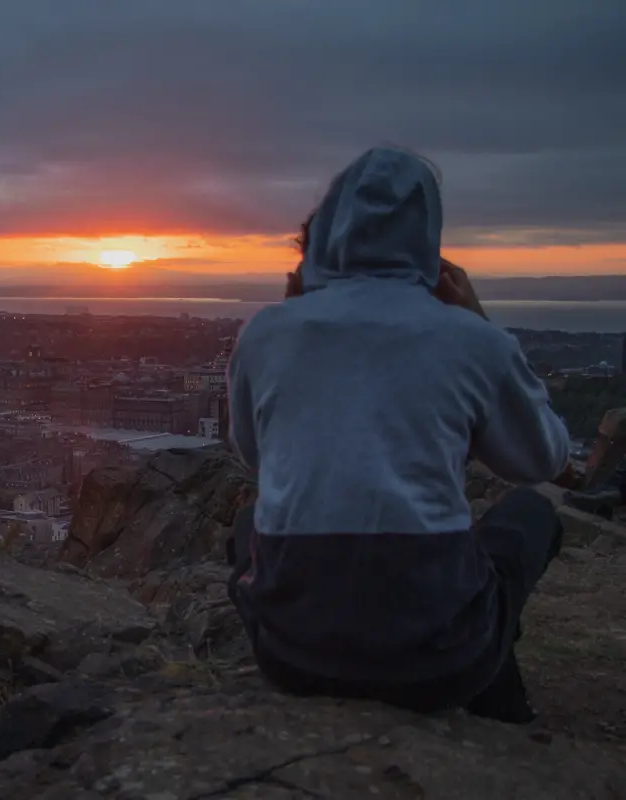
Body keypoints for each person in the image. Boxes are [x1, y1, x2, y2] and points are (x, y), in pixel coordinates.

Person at [226, 147, 570, 723]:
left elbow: (258, 458)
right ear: (428, 241)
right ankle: (499, 707)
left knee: (246, 526)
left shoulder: (264, 332)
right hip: (440, 662)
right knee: (531, 514)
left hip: (289, 657)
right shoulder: (470, 340)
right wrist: (479, 323)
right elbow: (542, 459)